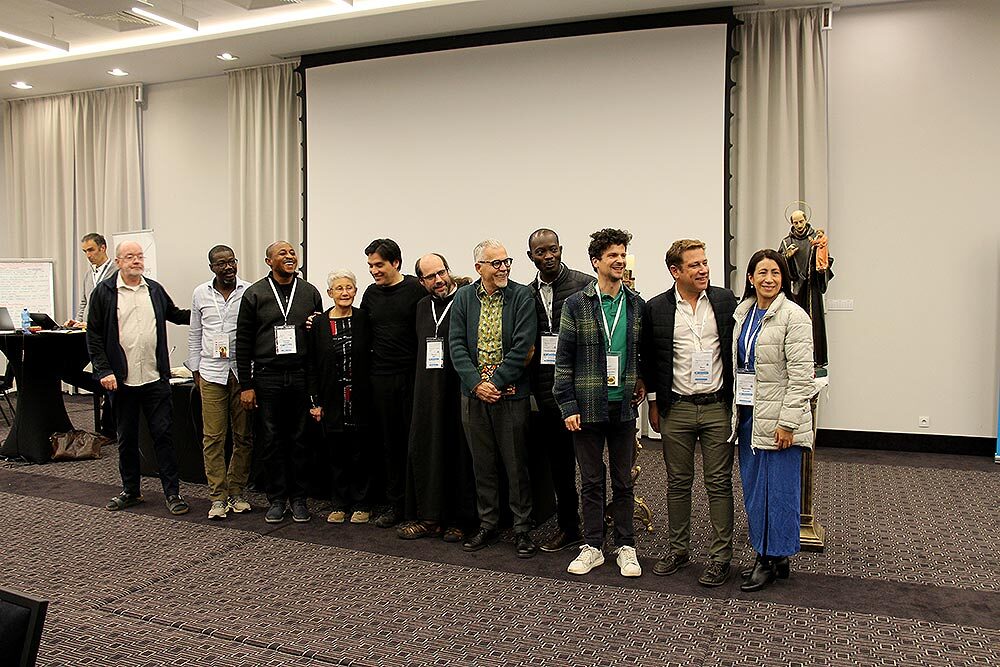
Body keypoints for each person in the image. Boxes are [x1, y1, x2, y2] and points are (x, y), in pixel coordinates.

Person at [640, 239, 738, 587]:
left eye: (705, 263)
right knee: (677, 483)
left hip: (717, 408)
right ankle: (678, 550)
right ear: (675, 271)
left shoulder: (725, 301)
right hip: (676, 409)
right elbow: (650, 359)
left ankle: (721, 557)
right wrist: (654, 403)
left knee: (719, 483)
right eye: (695, 265)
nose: (703, 270)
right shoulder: (656, 308)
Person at [554, 229, 645, 577]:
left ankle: (626, 545)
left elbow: (642, 352)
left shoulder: (635, 304)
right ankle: (592, 545)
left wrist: (641, 381)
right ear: (596, 262)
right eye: (612, 256)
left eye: (623, 255)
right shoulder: (576, 304)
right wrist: (568, 406)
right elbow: (564, 360)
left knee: (624, 481)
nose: (620, 261)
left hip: (623, 406)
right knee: (591, 481)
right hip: (587, 405)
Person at [86, 241, 191, 515]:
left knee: (164, 436)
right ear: (118, 262)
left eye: (139, 256)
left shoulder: (154, 289)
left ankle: (173, 493)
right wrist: (104, 370)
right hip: (122, 381)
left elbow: (175, 315)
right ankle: (131, 491)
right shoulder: (104, 292)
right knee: (127, 438)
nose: (136, 261)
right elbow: (93, 336)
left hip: (155, 379)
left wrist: (207, 313)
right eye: (130, 256)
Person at [450, 239, 538, 558]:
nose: (504, 268)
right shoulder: (463, 297)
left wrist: (495, 382)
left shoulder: (522, 296)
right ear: (479, 268)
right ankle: (488, 524)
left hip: (510, 394)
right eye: (496, 263)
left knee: (516, 465)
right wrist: (477, 384)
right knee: (482, 464)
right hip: (473, 395)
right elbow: (456, 345)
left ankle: (522, 528)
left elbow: (523, 345)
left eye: (506, 262)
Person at [733, 248, 814, 592]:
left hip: (780, 419)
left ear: (784, 278)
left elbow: (802, 377)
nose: (769, 279)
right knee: (755, 490)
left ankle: (766, 558)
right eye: (762, 273)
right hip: (749, 414)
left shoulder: (794, 316)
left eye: (776, 273)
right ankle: (777, 557)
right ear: (750, 278)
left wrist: (788, 423)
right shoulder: (744, 313)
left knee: (778, 492)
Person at [235, 241, 323, 524]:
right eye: (282, 253)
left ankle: (299, 499)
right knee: (271, 440)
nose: (289, 256)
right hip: (267, 375)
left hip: (299, 374)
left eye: (292, 252)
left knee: (300, 439)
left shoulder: (309, 292)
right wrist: (246, 385)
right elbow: (243, 342)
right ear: (268, 261)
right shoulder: (255, 293)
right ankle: (276, 499)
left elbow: (317, 339)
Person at [398, 253, 477, 542]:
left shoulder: (466, 300)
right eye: (431, 276)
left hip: (458, 389)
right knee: (428, 450)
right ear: (422, 281)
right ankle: (430, 518)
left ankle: (461, 520)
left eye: (441, 272)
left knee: (459, 453)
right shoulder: (421, 307)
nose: (439, 280)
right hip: (427, 391)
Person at [526, 228, 594, 553]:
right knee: (560, 467)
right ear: (531, 257)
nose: (548, 256)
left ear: (561, 249)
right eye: (541, 252)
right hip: (547, 391)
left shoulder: (584, 284)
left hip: (582, 389)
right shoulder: (527, 294)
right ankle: (570, 527)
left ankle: (596, 528)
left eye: (552, 249)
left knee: (591, 466)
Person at [360, 238, 428, 529]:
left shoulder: (415, 288)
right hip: (381, 378)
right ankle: (396, 504)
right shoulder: (370, 294)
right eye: (370, 266)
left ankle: (420, 506)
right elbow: (361, 329)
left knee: (415, 442)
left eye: (379, 265)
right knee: (390, 443)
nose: (374, 271)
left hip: (412, 376)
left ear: (396, 263)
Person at [186, 245, 253, 520]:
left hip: (241, 373)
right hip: (211, 372)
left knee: (243, 436)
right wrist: (195, 370)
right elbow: (195, 333)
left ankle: (236, 491)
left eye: (232, 261)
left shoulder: (249, 291)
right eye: (221, 263)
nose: (228, 267)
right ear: (212, 267)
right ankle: (217, 496)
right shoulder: (200, 293)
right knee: (213, 437)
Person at [308, 270, 373, 525]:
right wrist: (315, 402)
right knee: (336, 454)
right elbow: (312, 364)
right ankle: (339, 503)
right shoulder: (319, 324)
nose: (345, 292)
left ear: (355, 291)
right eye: (339, 288)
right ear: (329, 293)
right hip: (332, 399)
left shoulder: (364, 319)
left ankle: (362, 503)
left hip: (360, 398)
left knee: (360, 453)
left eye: (349, 287)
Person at [778, 209, 833, 366]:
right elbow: (777, 263)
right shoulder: (786, 242)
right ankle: (797, 359)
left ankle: (816, 359)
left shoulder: (816, 238)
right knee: (794, 323)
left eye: (801, 221)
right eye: (795, 222)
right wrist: (787, 257)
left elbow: (825, 258)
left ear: (806, 220)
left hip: (812, 286)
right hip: (795, 287)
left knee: (814, 322)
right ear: (791, 223)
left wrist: (822, 268)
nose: (799, 225)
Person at [67, 233, 116, 327]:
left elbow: (114, 306)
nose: (88, 255)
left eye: (91, 250)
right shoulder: (88, 274)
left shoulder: (116, 272)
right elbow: (84, 302)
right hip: (87, 330)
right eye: (85, 251)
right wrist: (77, 322)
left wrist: (91, 324)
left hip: (106, 329)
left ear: (103, 248)